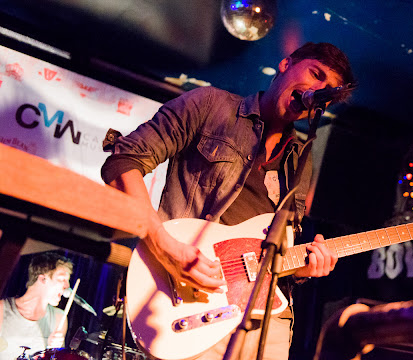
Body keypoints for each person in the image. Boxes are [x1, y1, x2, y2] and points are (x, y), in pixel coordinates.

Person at [101, 42, 355, 359]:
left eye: (328, 91)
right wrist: (164, 244)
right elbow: (123, 161)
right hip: (191, 302)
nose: (318, 90)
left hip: (267, 323)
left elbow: (281, 250)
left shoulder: (300, 162)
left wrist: (304, 268)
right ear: (286, 64)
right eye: (316, 74)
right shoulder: (210, 106)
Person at [0, 252, 73, 360]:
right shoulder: (2, 309)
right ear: (42, 279)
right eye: (62, 279)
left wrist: (54, 352)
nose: (67, 286)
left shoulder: (59, 318)